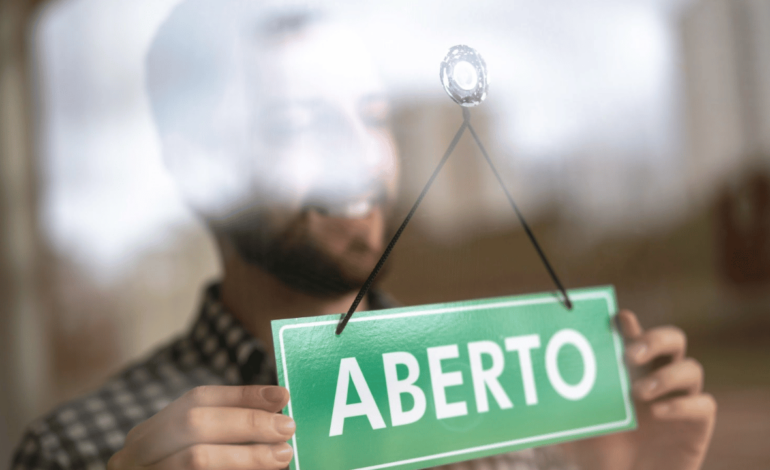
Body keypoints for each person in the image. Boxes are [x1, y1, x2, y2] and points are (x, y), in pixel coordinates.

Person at [11, 1, 716, 469]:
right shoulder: (76, 451)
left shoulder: (501, 416)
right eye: (298, 125)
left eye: (373, 117)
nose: (359, 158)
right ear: (200, 169)